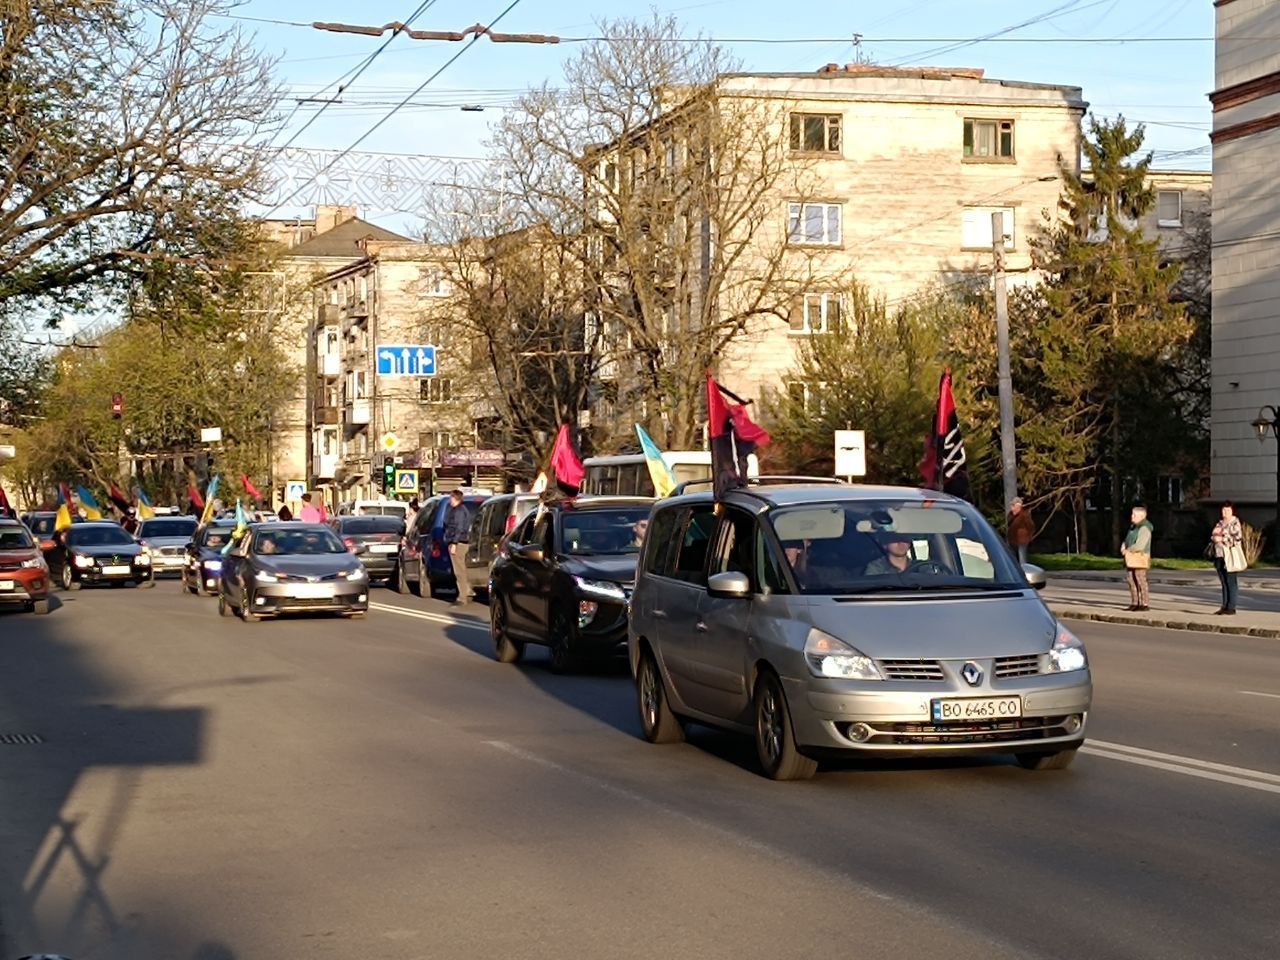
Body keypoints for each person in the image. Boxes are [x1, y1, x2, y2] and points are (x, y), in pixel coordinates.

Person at [1210, 501, 1245, 616]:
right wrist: (1216, 537)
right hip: (1219, 555)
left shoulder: (1235, 523)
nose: (1225, 512)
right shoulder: (1220, 523)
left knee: (1231, 581)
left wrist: (1223, 539)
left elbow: (1237, 538)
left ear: (1232, 511)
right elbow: (1214, 534)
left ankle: (1231, 606)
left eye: (1227, 510)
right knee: (1223, 582)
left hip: (1230, 556)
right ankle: (1224, 605)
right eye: (1223, 510)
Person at [1120, 504, 1154, 612]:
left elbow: (1140, 545)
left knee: (1140, 579)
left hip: (1140, 556)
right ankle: (1134, 602)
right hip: (1130, 557)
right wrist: (1123, 545)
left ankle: (1144, 603)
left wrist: (1128, 550)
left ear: (1141, 516)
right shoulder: (1133, 527)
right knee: (1131, 580)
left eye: (1134, 515)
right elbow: (1127, 539)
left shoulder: (1145, 528)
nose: (1132, 516)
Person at [443, 490, 473, 604]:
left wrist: (454, 543)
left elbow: (459, 527)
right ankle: (467, 591)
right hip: (458, 541)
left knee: (459, 570)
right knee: (461, 568)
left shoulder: (459, 511)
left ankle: (462, 597)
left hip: (458, 543)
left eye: (451, 498)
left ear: (456, 499)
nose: (450, 500)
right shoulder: (459, 509)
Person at [1007, 497, 1035, 566]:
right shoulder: (1011, 515)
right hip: (1012, 541)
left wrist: (1028, 537)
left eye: (1013, 506)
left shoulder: (1025, 515)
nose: (1012, 508)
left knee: (1022, 561)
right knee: (1014, 560)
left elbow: (1031, 527)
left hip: (1022, 541)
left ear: (1018, 506)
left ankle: (1024, 574)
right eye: (1011, 506)